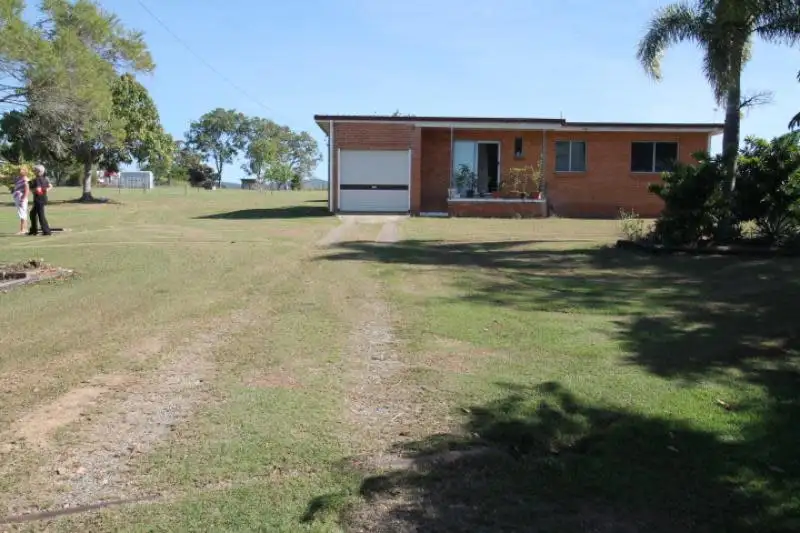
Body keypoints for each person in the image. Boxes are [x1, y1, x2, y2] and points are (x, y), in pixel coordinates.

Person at [28, 164, 52, 236]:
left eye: (35, 170)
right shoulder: (44, 179)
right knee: (32, 213)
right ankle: (33, 230)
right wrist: (45, 190)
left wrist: (31, 189)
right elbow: (50, 186)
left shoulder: (37, 179)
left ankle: (46, 231)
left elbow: (38, 190)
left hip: (39, 199)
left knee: (41, 215)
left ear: (38, 171)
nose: (33, 171)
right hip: (43, 198)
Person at [11, 166, 30, 235]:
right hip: (18, 198)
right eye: (19, 170)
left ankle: (22, 230)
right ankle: (25, 229)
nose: (19, 171)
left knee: (22, 214)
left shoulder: (26, 179)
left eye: (21, 170)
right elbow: (10, 178)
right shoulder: (19, 178)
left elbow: (27, 190)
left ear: (25, 171)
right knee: (22, 213)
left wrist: (23, 199)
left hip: (21, 199)